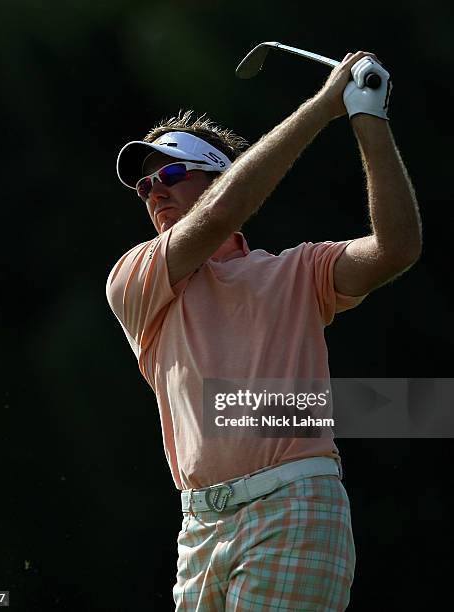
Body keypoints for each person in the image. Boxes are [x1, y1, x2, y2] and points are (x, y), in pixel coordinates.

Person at [106, 51, 421, 611]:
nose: (154, 190)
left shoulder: (298, 271)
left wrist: (364, 114)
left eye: (172, 173)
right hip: (198, 533)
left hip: (296, 503)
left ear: (221, 176)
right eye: (146, 184)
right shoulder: (137, 279)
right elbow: (221, 215)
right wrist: (322, 106)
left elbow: (396, 249)